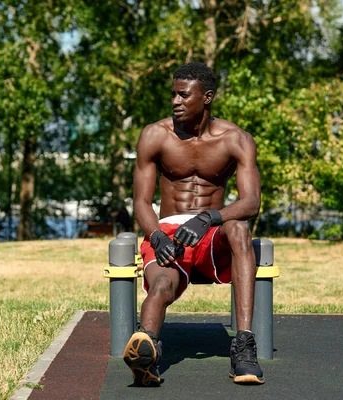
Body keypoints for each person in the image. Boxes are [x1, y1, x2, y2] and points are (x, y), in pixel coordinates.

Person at [123, 62, 264, 386]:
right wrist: (156, 236)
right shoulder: (155, 135)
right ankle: (147, 349)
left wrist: (210, 217)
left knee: (240, 227)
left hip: (214, 233)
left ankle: (243, 348)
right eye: (173, 94)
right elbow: (142, 202)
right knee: (161, 286)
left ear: (207, 97)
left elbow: (251, 202)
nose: (175, 101)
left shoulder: (236, 139)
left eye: (183, 95)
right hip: (168, 232)